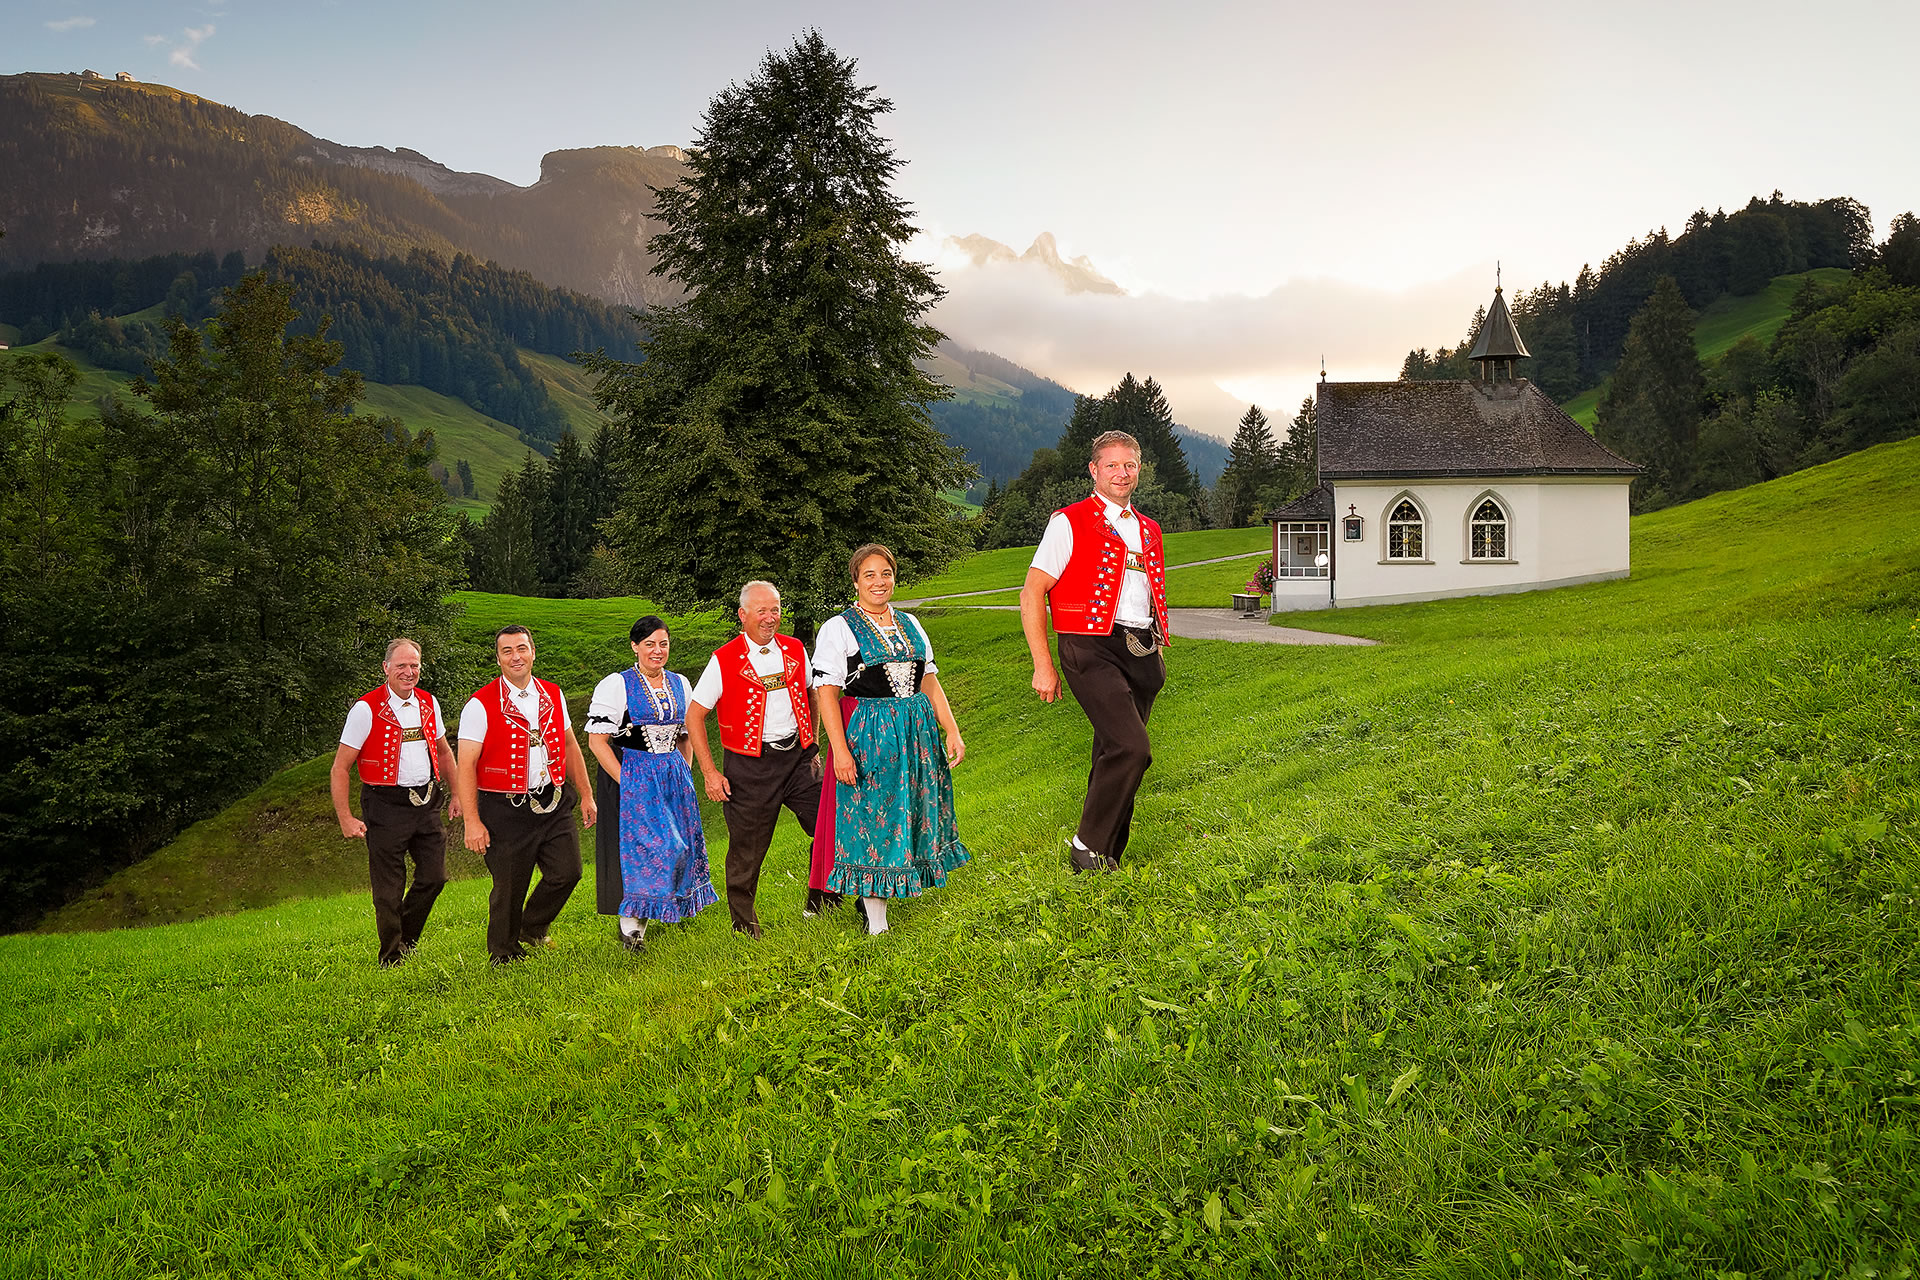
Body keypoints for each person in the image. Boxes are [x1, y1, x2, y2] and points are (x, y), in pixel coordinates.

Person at [1019, 430, 1171, 873]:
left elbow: (1148, 594)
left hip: (1141, 650)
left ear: (1138, 470)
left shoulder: (1149, 528)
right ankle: (1086, 845)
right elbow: (1032, 594)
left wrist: (1158, 650)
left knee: (1112, 751)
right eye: (1111, 465)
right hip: (1089, 646)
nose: (1121, 474)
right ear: (1094, 470)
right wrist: (1042, 665)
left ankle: (1107, 855)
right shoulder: (1068, 521)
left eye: (1129, 465)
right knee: (1132, 748)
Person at [814, 544, 968, 935]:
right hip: (872, 734)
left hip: (917, 733)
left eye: (886, 573)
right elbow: (827, 693)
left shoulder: (911, 623)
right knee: (873, 819)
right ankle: (876, 924)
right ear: (855, 581)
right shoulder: (839, 628)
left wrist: (951, 729)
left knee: (911, 813)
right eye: (869, 575)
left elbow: (929, 680)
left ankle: (897, 894)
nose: (879, 582)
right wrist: (841, 752)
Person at [684, 581, 822, 939]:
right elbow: (694, 715)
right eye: (761, 610)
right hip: (750, 767)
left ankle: (822, 900)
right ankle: (745, 927)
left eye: (774, 609)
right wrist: (710, 772)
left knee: (828, 826)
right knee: (747, 851)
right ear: (743, 615)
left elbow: (811, 691)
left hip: (798, 758)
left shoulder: (794, 648)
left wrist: (814, 743)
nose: (769, 617)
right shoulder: (724, 659)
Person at [456, 625, 597, 964]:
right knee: (509, 887)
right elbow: (465, 765)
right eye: (507, 651)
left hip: (554, 800)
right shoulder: (479, 704)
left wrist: (587, 795)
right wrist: (472, 822)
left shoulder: (553, 693)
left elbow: (569, 744)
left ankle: (531, 929)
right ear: (498, 658)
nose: (516, 656)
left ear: (533, 651)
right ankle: (503, 954)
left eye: (521, 648)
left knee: (568, 872)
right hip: (504, 809)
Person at [586, 615, 717, 952]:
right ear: (635, 647)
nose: (657, 651)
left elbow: (685, 734)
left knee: (679, 847)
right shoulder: (617, 685)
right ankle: (632, 929)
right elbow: (597, 741)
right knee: (648, 848)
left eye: (663, 644)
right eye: (649, 645)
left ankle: (664, 906)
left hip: (673, 775)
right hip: (635, 771)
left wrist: (684, 772)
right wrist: (627, 782)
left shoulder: (680, 683)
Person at [329, 638, 461, 967]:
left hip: (427, 802)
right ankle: (391, 956)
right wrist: (345, 817)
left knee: (435, 876)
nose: (408, 672)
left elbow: (444, 752)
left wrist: (457, 793)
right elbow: (340, 767)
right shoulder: (366, 708)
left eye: (414, 665)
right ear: (386, 668)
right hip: (384, 805)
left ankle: (407, 938)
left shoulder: (429, 703)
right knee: (388, 888)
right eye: (401, 665)